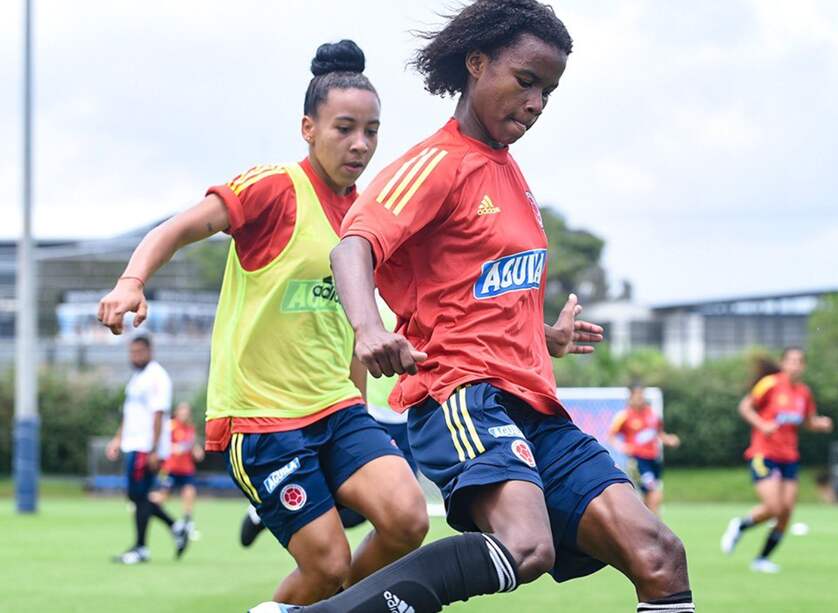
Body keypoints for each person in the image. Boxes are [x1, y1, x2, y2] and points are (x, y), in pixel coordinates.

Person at [263, 3, 694, 612]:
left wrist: (544, 335)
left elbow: (476, 296)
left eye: (548, 92)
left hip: (536, 405)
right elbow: (352, 247)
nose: (536, 103)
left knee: (659, 555)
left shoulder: (511, 177)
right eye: (526, 81)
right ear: (476, 63)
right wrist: (367, 328)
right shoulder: (437, 163)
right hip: (463, 394)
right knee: (525, 545)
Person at [97, 40, 429, 605]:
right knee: (325, 565)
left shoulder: (368, 217)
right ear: (308, 128)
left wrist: (358, 399)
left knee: (407, 519)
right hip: (262, 418)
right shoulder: (274, 188)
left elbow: (354, 323)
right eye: (344, 128)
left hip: (338, 408)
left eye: (372, 131)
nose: (360, 143)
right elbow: (178, 227)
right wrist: (132, 280)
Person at [240, 295, 416, 548]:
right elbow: (353, 353)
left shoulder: (417, 300)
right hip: (375, 414)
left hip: (408, 417)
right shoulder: (368, 305)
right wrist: (361, 411)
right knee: (364, 506)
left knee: (398, 507)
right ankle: (280, 511)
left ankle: (296, 515)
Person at [721, 347, 833, 573]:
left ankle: (761, 559)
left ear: (804, 366)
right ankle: (740, 525)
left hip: (789, 456)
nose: (795, 365)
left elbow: (808, 421)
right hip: (763, 453)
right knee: (773, 507)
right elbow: (745, 407)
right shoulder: (770, 384)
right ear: (783, 363)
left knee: (786, 511)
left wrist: (820, 424)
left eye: (799, 361)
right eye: (791, 360)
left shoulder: (803, 392)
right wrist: (762, 425)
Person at [105, 335, 190, 564]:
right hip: (133, 444)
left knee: (139, 496)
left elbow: (158, 414)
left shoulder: (157, 377)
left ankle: (141, 548)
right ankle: (176, 528)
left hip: (146, 447)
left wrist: (153, 450)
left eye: (139, 352)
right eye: (132, 352)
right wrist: (117, 439)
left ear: (150, 351)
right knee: (137, 496)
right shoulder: (136, 378)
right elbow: (129, 414)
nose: (135, 356)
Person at [608, 385, 680, 515]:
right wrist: (622, 446)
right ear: (631, 398)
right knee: (654, 492)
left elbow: (659, 434)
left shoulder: (652, 415)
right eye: (637, 396)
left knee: (648, 496)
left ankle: (647, 521)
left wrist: (669, 439)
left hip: (654, 459)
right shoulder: (624, 416)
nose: (640, 398)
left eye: (641, 395)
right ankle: (655, 522)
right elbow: (611, 436)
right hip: (638, 460)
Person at [151, 401, 205, 536]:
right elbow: (163, 444)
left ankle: (188, 523)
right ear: (177, 412)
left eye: (187, 412)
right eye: (182, 411)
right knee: (163, 496)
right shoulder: (170, 426)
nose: (184, 414)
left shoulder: (190, 428)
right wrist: (174, 448)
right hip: (171, 468)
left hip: (186, 469)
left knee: (189, 493)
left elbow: (192, 446)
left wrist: (197, 451)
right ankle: (142, 501)